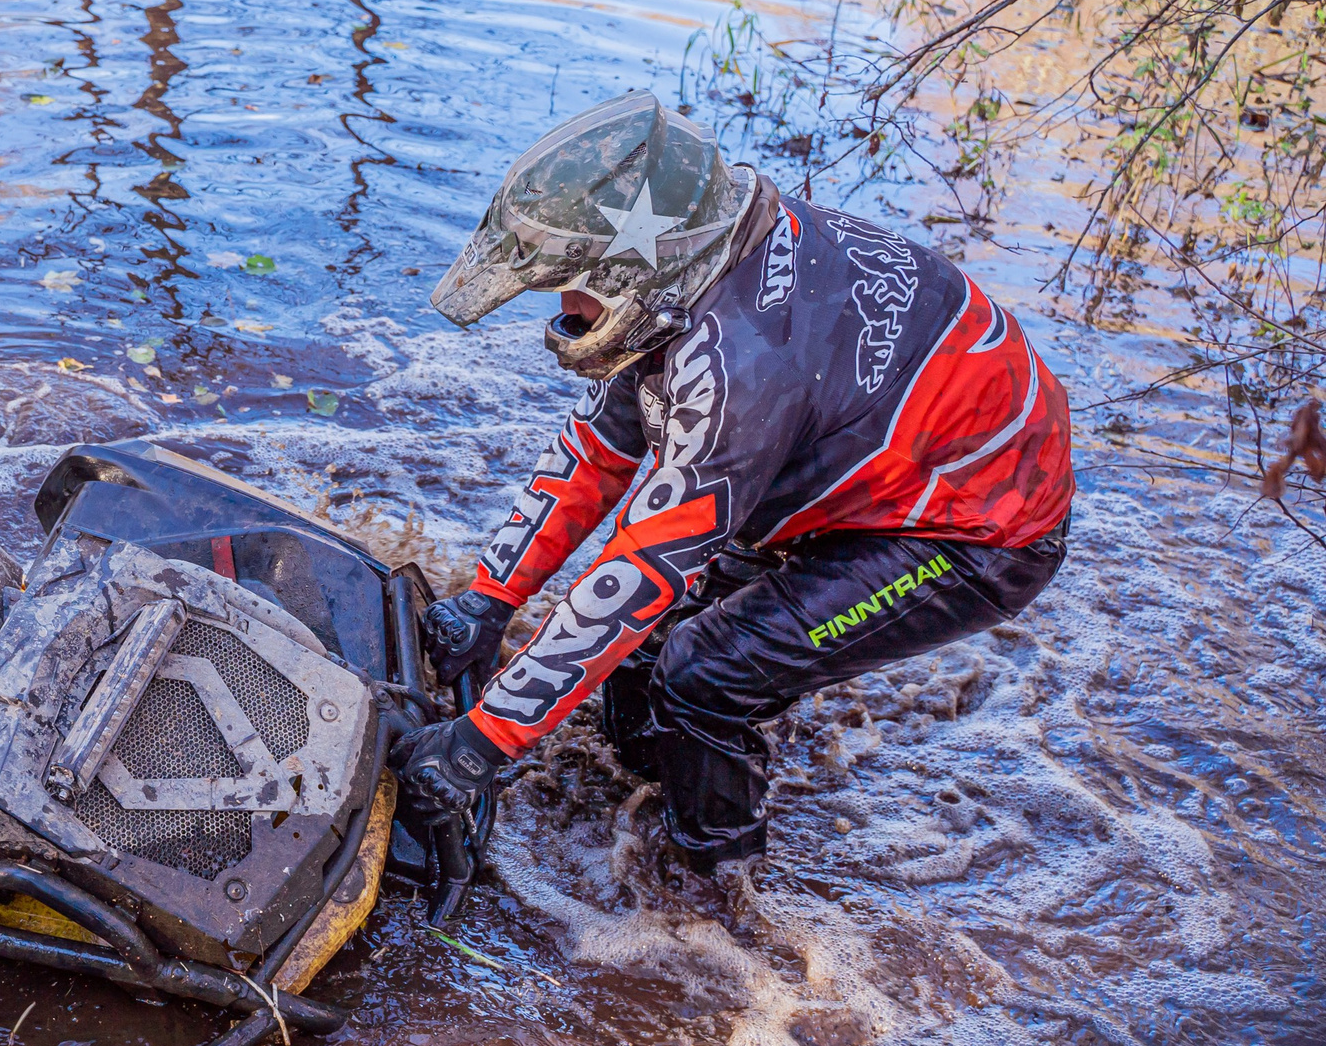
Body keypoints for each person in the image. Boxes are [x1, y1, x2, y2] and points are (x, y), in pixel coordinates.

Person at [394, 91, 1074, 878]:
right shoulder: (700, 271)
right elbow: (601, 441)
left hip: (975, 525)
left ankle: (715, 900)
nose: (564, 308)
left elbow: (645, 563)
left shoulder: (739, 369)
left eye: (575, 285)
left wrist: (483, 741)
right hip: (862, 457)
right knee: (642, 662)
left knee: (704, 671)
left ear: (634, 271)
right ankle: (656, 792)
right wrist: (492, 596)